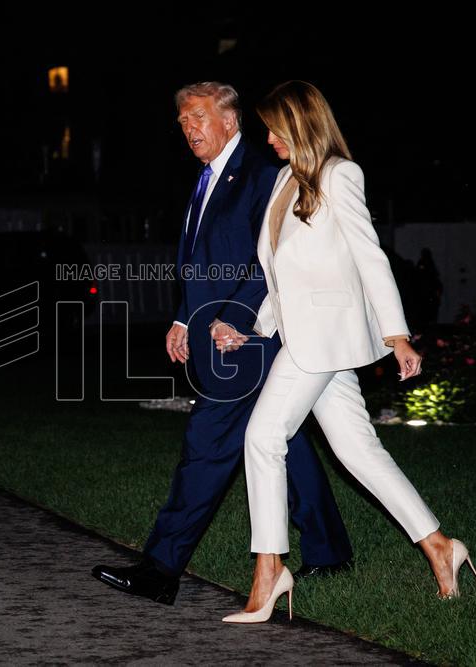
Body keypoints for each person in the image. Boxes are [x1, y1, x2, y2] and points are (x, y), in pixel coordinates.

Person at [218, 81, 476, 624]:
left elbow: (370, 260)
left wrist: (396, 335)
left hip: (325, 339)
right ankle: (439, 545)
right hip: (307, 338)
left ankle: (270, 568)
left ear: (300, 123)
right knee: (359, 452)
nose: (267, 138)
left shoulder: (341, 175)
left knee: (263, 437)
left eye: (274, 127)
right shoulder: (286, 180)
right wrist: (256, 328)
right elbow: (283, 276)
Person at [91, 82, 354, 606]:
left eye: (199, 118)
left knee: (207, 448)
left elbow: (273, 257)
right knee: (287, 442)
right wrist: (184, 319)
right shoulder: (206, 179)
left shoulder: (262, 176)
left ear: (229, 122)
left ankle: (161, 568)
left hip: (245, 340)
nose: (189, 129)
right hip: (214, 332)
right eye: (183, 120)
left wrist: (233, 318)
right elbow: (201, 261)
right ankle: (329, 551)